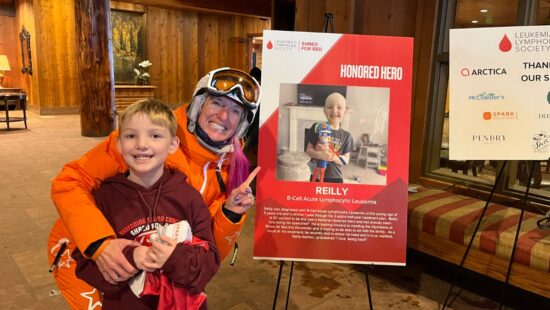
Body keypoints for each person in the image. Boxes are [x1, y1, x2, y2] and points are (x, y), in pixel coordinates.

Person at [48, 68, 261, 309]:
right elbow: (71, 181)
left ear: (242, 123)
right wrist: (99, 244)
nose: (224, 115)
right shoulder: (150, 134)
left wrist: (230, 213)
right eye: (216, 102)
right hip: (87, 253)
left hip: (156, 269)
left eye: (235, 110)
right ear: (199, 104)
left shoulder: (231, 168)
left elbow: (208, 252)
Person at [73, 99, 219, 309]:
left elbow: (209, 264)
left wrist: (174, 258)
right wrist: (130, 258)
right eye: (131, 136)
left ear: (173, 145)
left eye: (155, 135)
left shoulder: (190, 197)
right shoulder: (103, 199)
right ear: (119, 144)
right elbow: (84, 265)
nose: (142, 144)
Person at [305, 92, 354, 183]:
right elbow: (308, 150)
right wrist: (320, 155)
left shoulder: (347, 136)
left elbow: (346, 160)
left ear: (345, 111)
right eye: (330, 107)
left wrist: (332, 157)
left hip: (335, 178)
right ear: (324, 111)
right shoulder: (317, 127)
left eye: (339, 107)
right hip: (316, 174)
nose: (334, 110)